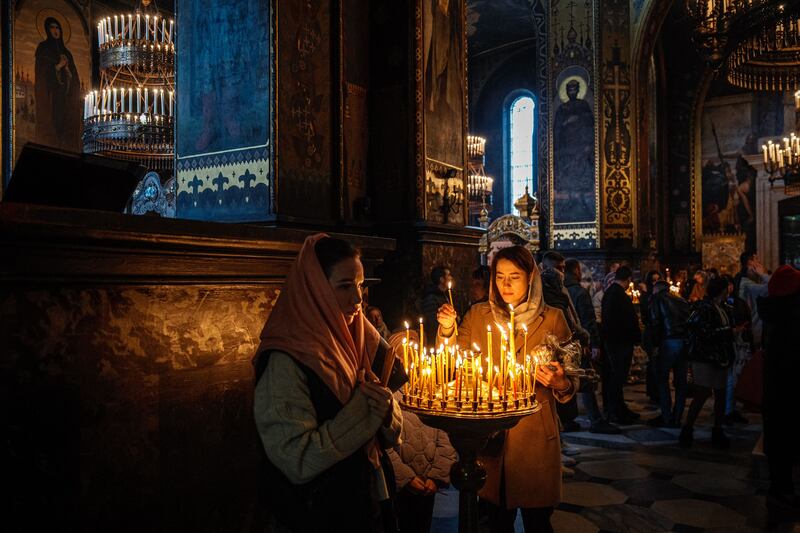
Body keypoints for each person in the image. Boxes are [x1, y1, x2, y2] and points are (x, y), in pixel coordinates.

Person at [253, 235, 404, 532]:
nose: (358, 300)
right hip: (317, 513)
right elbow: (296, 460)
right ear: (316, 290)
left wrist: (387, 413)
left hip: (369, 499)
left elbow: (390, 413)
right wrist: (363, 412)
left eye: (360, 286)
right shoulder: (286, 359)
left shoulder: (360, 338)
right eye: (345, 286)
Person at [436, 246, 577, 532]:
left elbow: (573, 377)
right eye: (500, 276)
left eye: (515, 276)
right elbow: (451, 361)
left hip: (534, 436)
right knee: (494, 520)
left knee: (538, 521)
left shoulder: (552, 318)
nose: (506, 284)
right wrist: (448, 330)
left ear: (531, 278)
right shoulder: (478, 315)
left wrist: (560, 382)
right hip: (490, 438)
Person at [385, 331, 457, 533]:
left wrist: (436, 476)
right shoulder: (389, 396)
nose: (410, 360)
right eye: (402, 355)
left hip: (429, 480)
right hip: (401, 483)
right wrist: (405, 477)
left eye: (414, 354)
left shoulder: (433, 394)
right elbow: (384, 444)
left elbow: (445, 437)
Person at [757, 265, 800, 507]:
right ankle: (782, 489)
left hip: (775, 387)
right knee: (785, 439)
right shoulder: (790, 316)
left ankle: (780, 486)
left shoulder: (773, 311)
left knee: (778, 440)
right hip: (787, 386)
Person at [564, 258, 620, 434]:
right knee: (586, 380)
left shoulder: (558, 291)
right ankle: (595, 420)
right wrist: (594, 343)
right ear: (576, 271)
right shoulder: (580, 292)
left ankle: (567, 420)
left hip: (563, 344)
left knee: (567, 381)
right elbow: (588, 320)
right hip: (580, 344)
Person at [680, 276, 736, 449]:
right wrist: (728, 332)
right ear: (722, 290)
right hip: (704, 357)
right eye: (727, 288)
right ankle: (687, 429)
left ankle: (717, 430)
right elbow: (700, 331)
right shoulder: (703, 308)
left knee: (720, 393)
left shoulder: (724, 307)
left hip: (720, 357)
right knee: (703, 393)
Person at [600, 266, 642, 425]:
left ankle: (619, 408)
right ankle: (615, 412)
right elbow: (627, 320)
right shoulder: (619, 295)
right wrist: (636, 337)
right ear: (629, 279)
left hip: (614, 341)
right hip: (619, 342)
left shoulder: (610, 293)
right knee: (617, 378)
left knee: (615, 377)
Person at [646, 281, 690, 427]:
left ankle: (666, 416)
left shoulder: (657, 299)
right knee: (680, 382)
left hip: (667, 342)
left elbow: (655, 322)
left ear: (656, 289)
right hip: (683, 343)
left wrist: (655, 345)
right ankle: (677, 416)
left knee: (662, 380)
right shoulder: (681, 300)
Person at [35, 17, 82, 151]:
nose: (55, 30)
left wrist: (67, 70)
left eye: (57, 28)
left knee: (66, 123)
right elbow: (41, 73)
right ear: (47, 30)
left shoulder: (67, 53)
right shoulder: (43, 48)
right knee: (54, 122)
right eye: (52, 27)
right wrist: (57, 67)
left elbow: (75, 80)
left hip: (66, 97)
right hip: (52, 96)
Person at [640, 270, 662, 403]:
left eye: (657, 281)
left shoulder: (660, 296)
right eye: (653, 281)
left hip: (658, 333)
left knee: (657, 363)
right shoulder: (647, 296)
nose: (655, 283)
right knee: (653, 363)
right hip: (650, 333)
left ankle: (657, 391)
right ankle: (653, 393)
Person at [421, 265, 452, 345]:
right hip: (436, 341)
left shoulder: (444, 295)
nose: (451, 278)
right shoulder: (431, 297)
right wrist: (446, 325)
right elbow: (432, 322)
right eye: (448, 275)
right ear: (442, 279)